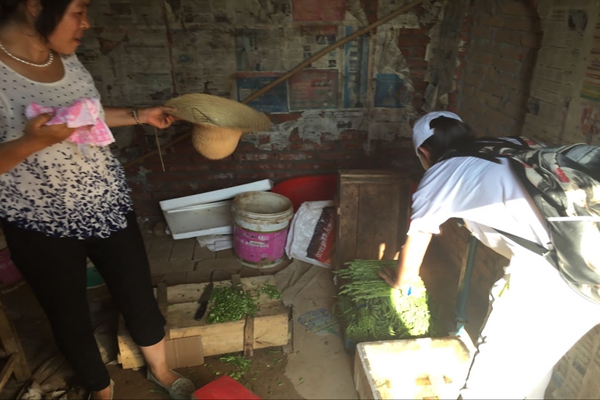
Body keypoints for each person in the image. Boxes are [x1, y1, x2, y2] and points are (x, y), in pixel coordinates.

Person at [0, 1, 195, 399]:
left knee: (136, 291)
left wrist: (140, 114)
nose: (86, 23)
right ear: (35, 6)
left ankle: (159, 369)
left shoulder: (65, 58)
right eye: (79, 10)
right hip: (39, 222)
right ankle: (101, 389)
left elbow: (85, 114)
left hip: (106, 202)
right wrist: (30, 143)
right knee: (67, 312)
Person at [379, 111, 600, 399]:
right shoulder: (511, 144)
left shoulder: (440, 174)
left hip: (559, 275)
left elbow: (414, 253)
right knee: (531, 367)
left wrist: (400, 282)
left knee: (488, 386)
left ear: (424, 152)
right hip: (588, 259)